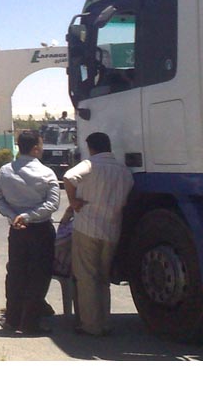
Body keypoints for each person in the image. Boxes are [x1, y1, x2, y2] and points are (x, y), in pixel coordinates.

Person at [63, 132, 134, 336]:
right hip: (111, 230)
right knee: (103, 278)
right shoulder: (124, 171)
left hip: (87, 227)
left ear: (90, 147)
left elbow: (68, 177)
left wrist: (73, 201)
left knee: (87, 277)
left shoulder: (90, 164)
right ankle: (104, 322)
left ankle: (91, 325)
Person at [0, 129, 60, 333]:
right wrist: (28, 216)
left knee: (16, 273)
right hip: (41, 229)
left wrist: (14, 216)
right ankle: (30, 322)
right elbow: (53, 203)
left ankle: (12, 319)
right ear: (36, 148)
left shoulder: (4, 171)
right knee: (39, 276)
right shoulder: (46, 173)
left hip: (17, 231)